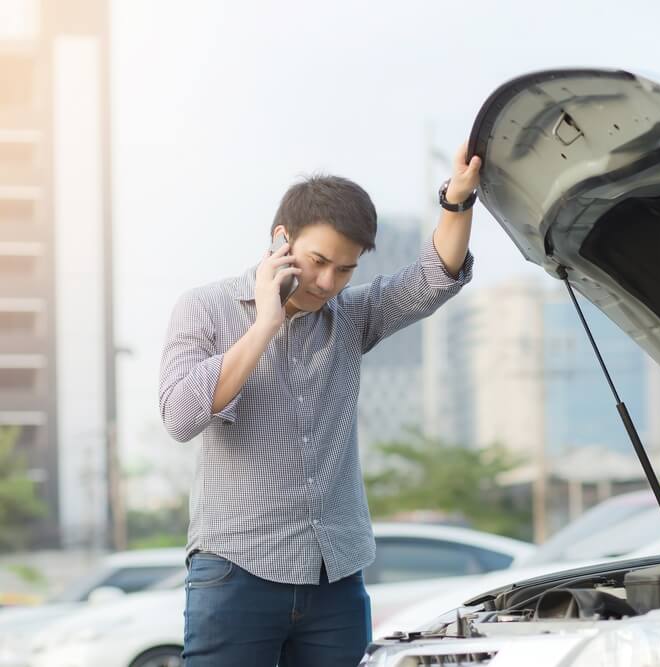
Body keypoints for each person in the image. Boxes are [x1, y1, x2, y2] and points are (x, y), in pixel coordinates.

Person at [158, 143, 481, 666]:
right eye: (318, 262)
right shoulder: (204, 309)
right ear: (281, 240)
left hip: (334, 576)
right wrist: (265, 322)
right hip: (237, 570)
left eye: (345, 270)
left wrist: (457, 202)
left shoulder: (349, 317)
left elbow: (431, 278)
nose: (328, 283)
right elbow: (180, 416)